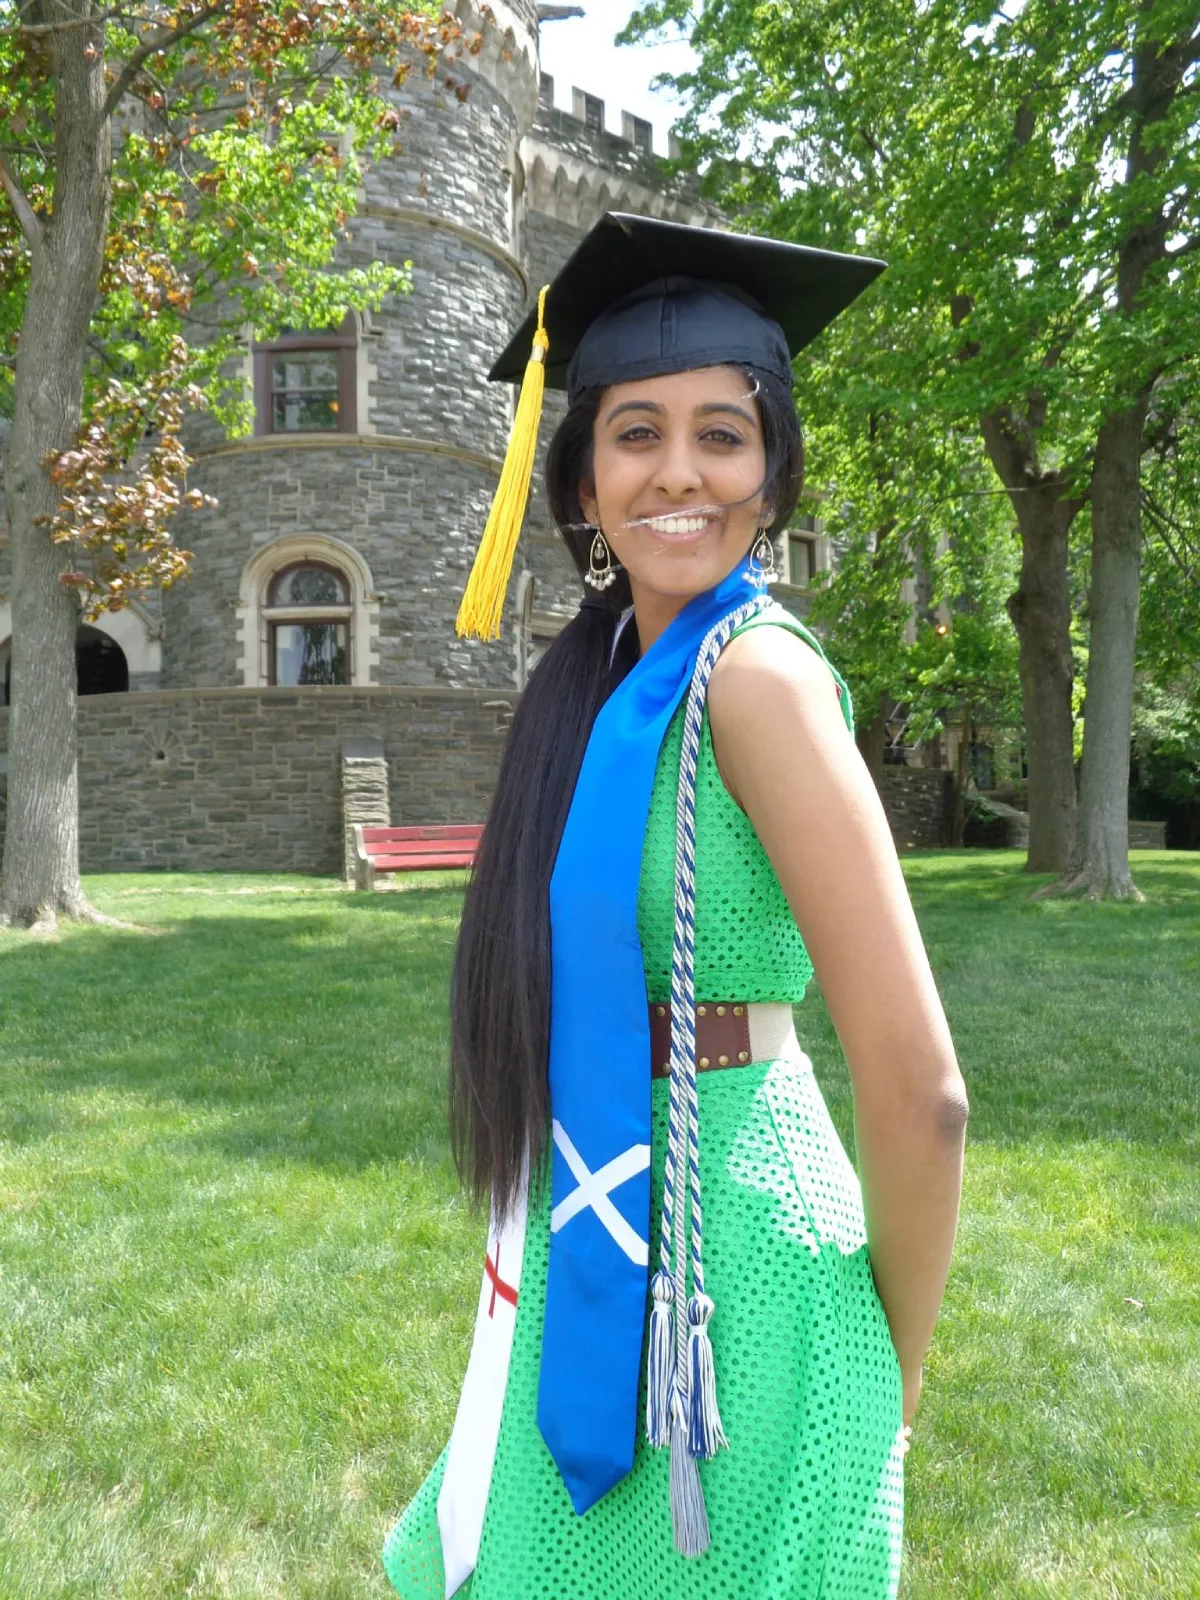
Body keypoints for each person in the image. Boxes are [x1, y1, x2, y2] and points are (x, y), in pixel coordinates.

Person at [382, 212, 969, 1600]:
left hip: (735, 1279)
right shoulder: (593, 685)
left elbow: (922, 1087)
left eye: (724, 431)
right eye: (635, 433)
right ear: (580, 478)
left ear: (773, 469)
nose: (680, 474)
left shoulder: (755, 680)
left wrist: (894, 1364)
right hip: (601, 1218)